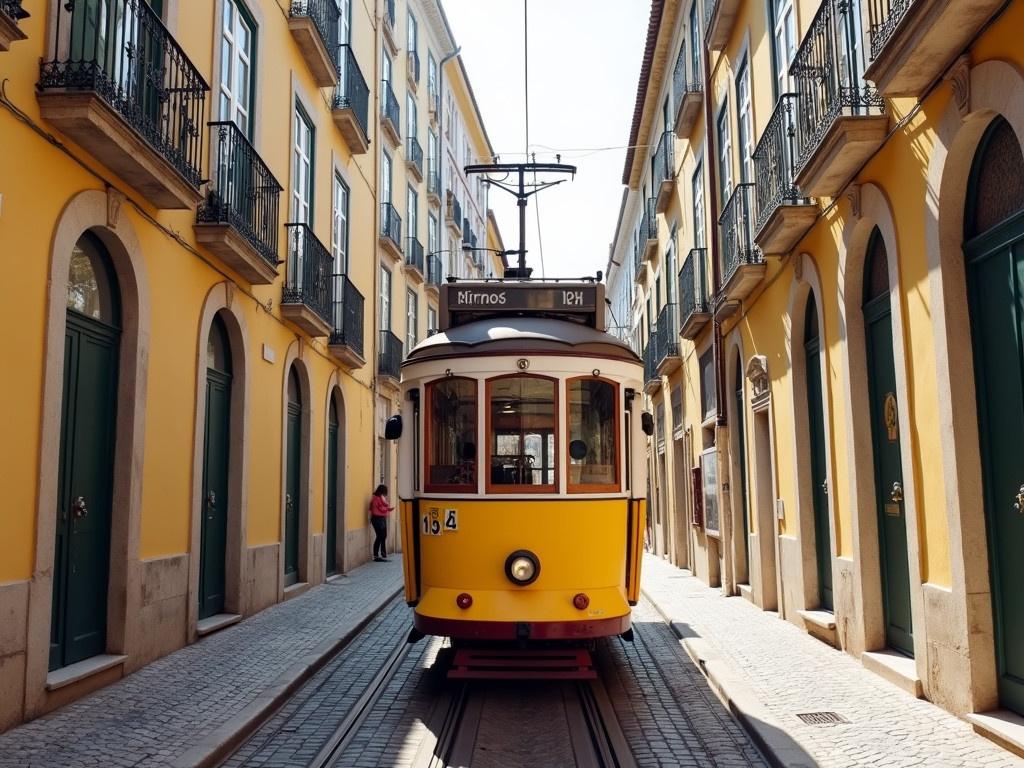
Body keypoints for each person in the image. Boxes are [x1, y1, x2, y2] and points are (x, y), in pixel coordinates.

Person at [369, 484, 393, 562]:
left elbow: (382, 507)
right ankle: (376, 555)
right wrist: (387, 509)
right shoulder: (375, 499)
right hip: (377, 519)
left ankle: (383, 552)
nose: (385, 494)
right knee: (379, 536)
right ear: (381, 491)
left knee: (383, 535)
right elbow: (378, 509)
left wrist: (388, 509)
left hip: (381, 519)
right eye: (384, 492)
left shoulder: (380, 498)